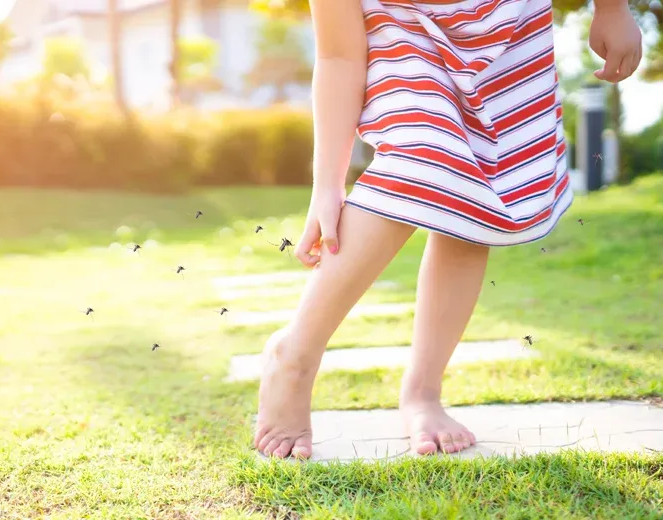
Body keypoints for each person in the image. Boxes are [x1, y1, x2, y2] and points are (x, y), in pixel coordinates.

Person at [254, 0, 642, 458]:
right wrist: (327, 185)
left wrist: (613, 9)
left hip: (507, 23)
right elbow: (339, 56)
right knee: (419, 151)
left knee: (481, 195)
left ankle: (423, 391)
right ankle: (295, 355)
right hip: (401, 23)